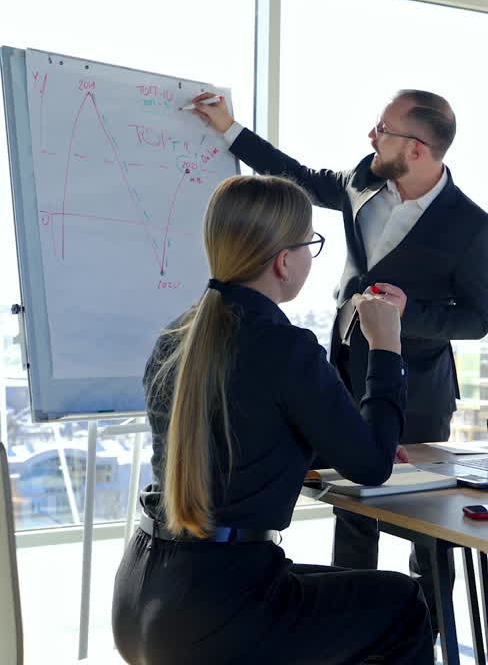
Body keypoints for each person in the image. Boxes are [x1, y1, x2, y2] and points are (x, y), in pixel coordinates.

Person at [189, 89, 488, 641]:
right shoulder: (362, 182)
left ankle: (428, 637)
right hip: (342, 375)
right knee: (353, 514)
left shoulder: (472, 225)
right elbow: (294, 175)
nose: (372, 136)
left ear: (419, 149)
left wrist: (406, 316)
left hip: (417, 391)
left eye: (384, 129)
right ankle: (354, 637)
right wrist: (229, 129)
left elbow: (475, 319)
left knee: (427, 532)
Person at [112, 175, 430, 664]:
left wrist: (341, 438)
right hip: (221, 606)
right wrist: (387, 343)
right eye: (310, 246)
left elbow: (242, 431)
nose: (309, 258)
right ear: (284, 260)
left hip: (145, 592)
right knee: (403, 604)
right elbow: (371, 467)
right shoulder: (285, 347)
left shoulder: (178, 336)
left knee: (348, 594)